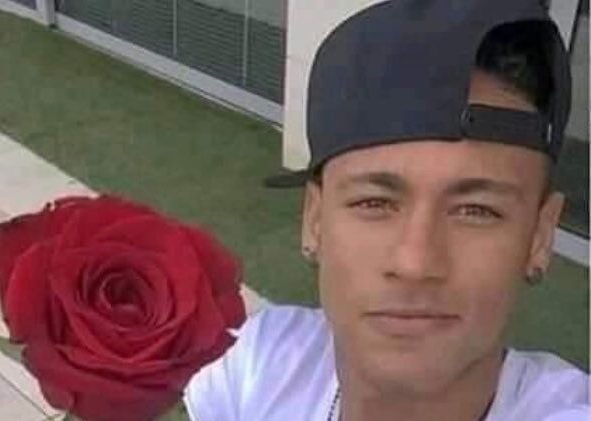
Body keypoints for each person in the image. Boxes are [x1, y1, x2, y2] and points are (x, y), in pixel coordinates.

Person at [182, 0, 590, 420]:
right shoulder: (257, 365)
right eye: (373, 202)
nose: (415, 263)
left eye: (476, 210)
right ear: (315, 220)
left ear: (539, 237)